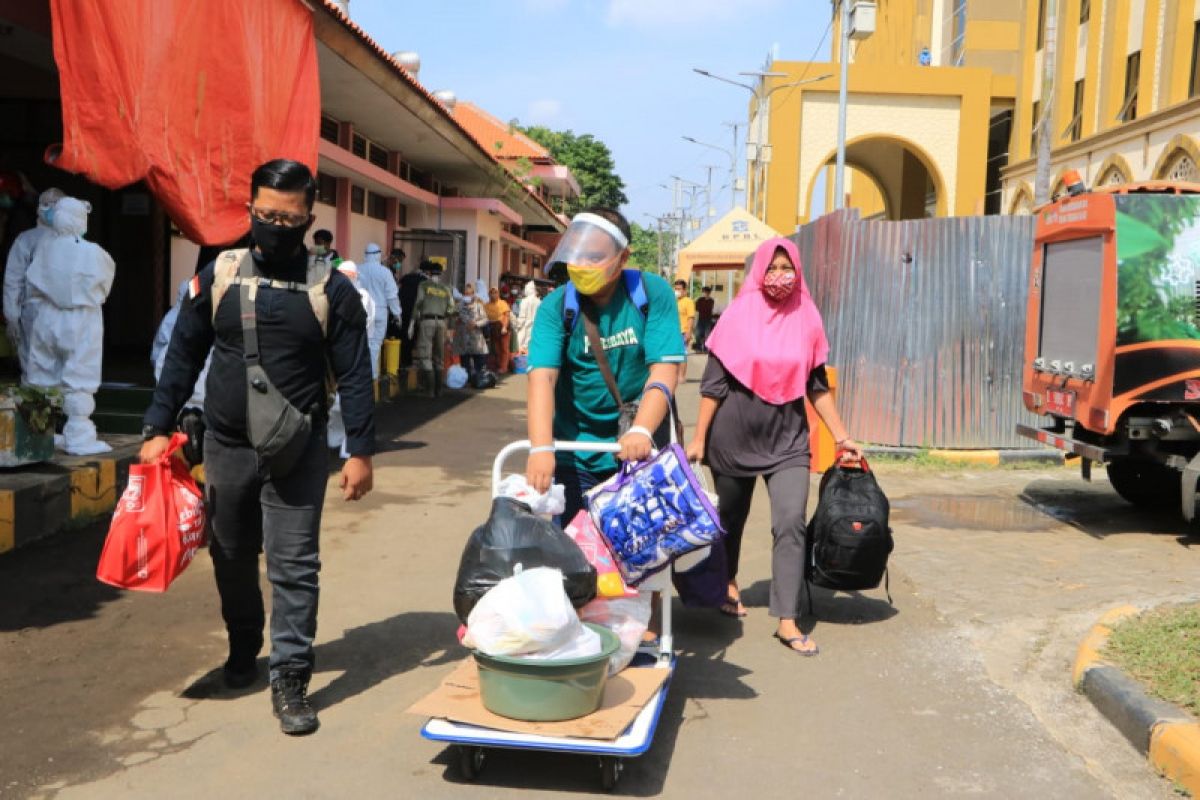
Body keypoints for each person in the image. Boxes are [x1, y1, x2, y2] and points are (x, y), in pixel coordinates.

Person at [142, 159, 375, 736]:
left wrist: (360, 452)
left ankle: (291, 677)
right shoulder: (217, 273)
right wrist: (156, 427)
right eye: (266, 215)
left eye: (288, 218)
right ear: (249, 210)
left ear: (308, 218)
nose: (275, 226)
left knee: (296, 568)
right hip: (225, 445)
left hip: (298, 451)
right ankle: (245, 646)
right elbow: (182, 354)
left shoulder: (332, 288)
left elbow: (354, 375)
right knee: (230, 556)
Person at [685, 237, 862, 657]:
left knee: (790, 521)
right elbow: (713, 386)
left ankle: (787, 617)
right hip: (733, 437)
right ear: (759, 270)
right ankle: (727, 580)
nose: (779, 277)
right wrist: (698, 439)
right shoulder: (737, 316)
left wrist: (842, 436)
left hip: (788, 441)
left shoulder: (807, 316)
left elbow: (816, 387)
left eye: (787, 269)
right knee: (730, 517)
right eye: (772, 268)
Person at [525, 208, 685, 521]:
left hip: (638, 452)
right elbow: (541, 379)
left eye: (594, 257)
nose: (582, 265)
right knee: (576, 555)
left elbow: (664, 370)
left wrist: (641, 429)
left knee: (638, 555)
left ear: (622, 258)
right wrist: (541, 448)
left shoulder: (650, 294)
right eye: (576, 255)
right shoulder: (555, 308)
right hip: (575, 454)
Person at [24, 196, 115, 455]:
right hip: (82, 317)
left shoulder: (45, 248)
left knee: (42, 375)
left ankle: (40, 434)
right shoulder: (94, 253)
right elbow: (104, 285)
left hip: (47, 315)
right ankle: (79, 435)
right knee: (80, 376)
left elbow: (33, 283)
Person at [4, 186, 62, 379]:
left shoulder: (74, 241)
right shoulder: (26, 240)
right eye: (47, 204)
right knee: (33, 368)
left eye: (56, 204)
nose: (51, 208)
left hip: (66, 312)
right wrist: (11, 315)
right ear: (38, 208)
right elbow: (13, 279)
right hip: (34, 312)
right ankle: (37, 406)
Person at [327, 261, 375, 458]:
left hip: (356, 355)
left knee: (349, 403)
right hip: (334, 356)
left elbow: (361, 325)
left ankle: (350, 447)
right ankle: (335, 439)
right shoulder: (333, 294)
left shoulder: (364, 297)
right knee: (334, 404)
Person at [409, 259, 453, 396]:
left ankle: (430, 391)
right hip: (441, 323)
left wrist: (411, 323)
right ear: (440, 274)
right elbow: (451, 308)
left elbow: (418, 303)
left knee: (425, 354)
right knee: (439, 356)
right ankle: (438, 390)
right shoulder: (447, 289)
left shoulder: (424, 285)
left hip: (426, 322)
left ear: (429, 273)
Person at [359, 243, 402, 379]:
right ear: (378, 255)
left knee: (363, 344)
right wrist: (397, 313)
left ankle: (363, 375)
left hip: (363, 311)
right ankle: (373, 376)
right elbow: (392, 295)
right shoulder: (385, 272)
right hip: (381, 311)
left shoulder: (359, 269)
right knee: (375, 345)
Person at [453, 279, 490, 381]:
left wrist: (476, 324)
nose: (467, 295)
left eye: (469, 293)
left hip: (476, 339)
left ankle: (479, 379)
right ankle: (467, 379)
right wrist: (457, 319)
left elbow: (485, 319)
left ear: (473, 294)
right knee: (464, 362)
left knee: (479, 361)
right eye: (466, 293)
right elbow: (452, 315)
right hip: (463, 338)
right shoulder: (459, 305)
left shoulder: (479, 305)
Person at [397, 260, 427, 370]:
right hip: (414, 312)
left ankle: (402, 360)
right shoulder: (424, 281)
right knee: (412, 337)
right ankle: (408, 361)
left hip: (402, 310)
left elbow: (399, 291)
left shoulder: (406, 278)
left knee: (403, 335)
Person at [484, 285, 511, 374]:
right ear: (489, 294)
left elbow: (507, 315)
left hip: (502, 326)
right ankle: (499, 366)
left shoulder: (502, 303)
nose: (493, 295)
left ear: (498, 294)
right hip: (492, 328)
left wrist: (504, 327)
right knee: (496, 348)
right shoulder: (486, 305)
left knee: (504, 348)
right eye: (491, 293)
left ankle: (504, 367)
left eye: (495, 293)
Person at [674, 279, 696, 381]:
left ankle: (681, 376)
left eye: (679, 289)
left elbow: (691, 318)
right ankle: (675, 375)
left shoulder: (689, 302)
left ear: (684, 290)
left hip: (683, 331)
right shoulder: (674, 301)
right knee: (674, 354)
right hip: (674, 332)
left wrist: (689, 332)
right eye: (676, 289)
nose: (677, 291)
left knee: (682, 354)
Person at [513, 279, 541, 354]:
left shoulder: (524, 301)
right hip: (535, 330)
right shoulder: (539, 302)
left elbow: (522, 318)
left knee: (521, 350)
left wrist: (516, 326)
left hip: (524, 329)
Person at [695, 286, 715, 352]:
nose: (705, 293)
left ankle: (706, 348)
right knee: (697, 334)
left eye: (706, 292)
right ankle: (698, 347)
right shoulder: (700, 300)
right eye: (704, 292)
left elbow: (713, 310)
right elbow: (696, 309)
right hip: (700, 319)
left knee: (707, 335)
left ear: (709, 293)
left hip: (708, 320)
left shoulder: (712, 301)